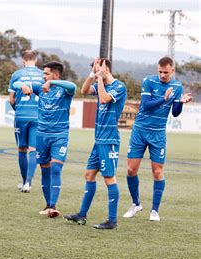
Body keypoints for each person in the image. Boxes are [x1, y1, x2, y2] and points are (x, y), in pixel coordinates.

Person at [123, 56, 193, 221]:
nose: (162, 75)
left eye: (166, 72)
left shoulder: (176, 86)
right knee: (130, 170)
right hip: (140, 131)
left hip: (158, 133)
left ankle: (154, 211)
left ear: (172, 70)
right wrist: (164, 98)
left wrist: (181, 102)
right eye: (160, 72)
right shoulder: (148, 81)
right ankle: (136, 204)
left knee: (157, 171)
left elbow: (175, 112)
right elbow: (145, 105)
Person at [63, 58, 127, 229]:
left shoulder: (119, 87)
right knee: (89, 175)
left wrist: (99, 78)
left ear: (107, 69)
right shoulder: (100, 83)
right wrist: (93, 75)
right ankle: (81, 215)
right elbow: (83, 90)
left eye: (99, 68)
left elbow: (105, 99)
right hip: (98, 140)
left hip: (109, 140)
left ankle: (112, 221)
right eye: (95, 69)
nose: (97, 71)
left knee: (109, 178)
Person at [14, 61, 76, 218]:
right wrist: (23, 86)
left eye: (47, 74)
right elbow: (16, 82)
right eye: (44, 74)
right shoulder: (40, 88)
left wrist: (51, 82)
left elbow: (73, 86)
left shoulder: (64, 90)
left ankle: (54, 206)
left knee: (56, 168)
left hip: (59, 135)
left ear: (56, 75)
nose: (44, 76)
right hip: (41, 135)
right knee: (45, 169)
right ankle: (48, 205)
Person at [8, 50, 42, 193]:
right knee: (33, 150)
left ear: (23, 61)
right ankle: (28, 183)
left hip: (21, 115)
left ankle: (24, 182)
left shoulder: (17, 75)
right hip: (38, 116)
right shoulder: (42, 75)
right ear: (36, 60)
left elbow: (11, 99)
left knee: (22, 149)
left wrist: (18, 110)